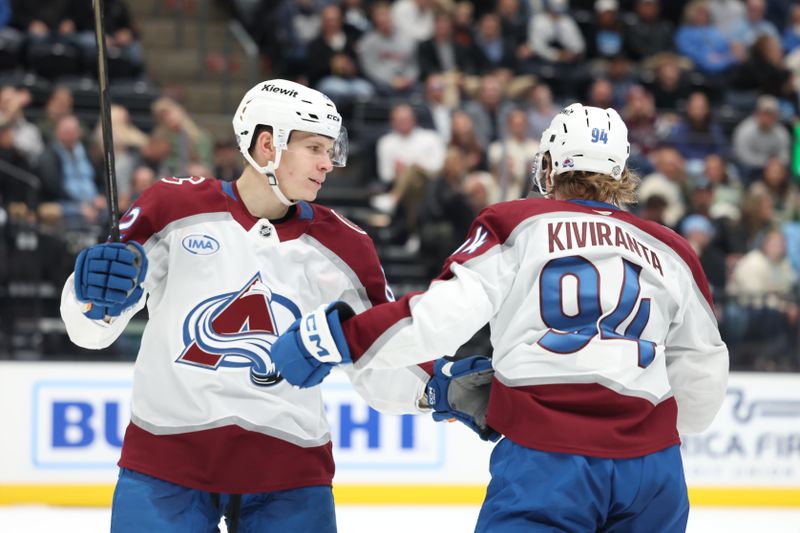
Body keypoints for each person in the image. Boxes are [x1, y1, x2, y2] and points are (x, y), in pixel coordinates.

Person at [59, 79, 495, 532]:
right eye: (314, 148)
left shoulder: (347, 245)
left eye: (330, 149)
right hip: (166, 462)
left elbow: (374, 359)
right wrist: (91, 297)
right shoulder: (170, 207)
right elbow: (93, 331)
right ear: (268, 144)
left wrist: (435, 389)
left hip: (288, 473)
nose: (328, 163)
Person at [271, 103, 730, 532]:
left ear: (550, 164)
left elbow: (439, 318)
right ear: (620, 171)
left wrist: (336, 338)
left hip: (549, 463)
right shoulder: (672, 249)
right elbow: (703, 373)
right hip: (654, 474)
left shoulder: (517, 223)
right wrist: (642, 433)